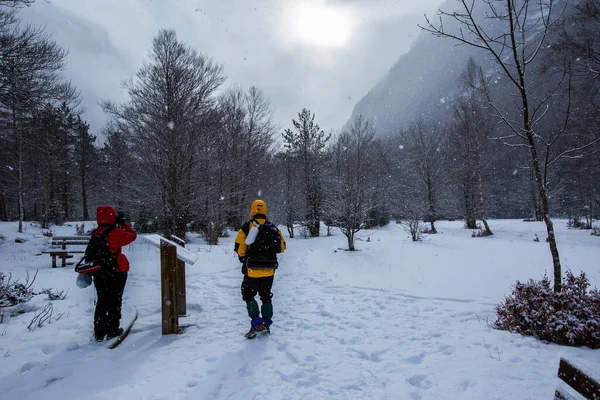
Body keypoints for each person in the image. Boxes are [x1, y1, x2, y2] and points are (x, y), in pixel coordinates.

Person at [234, 200, 286, 338]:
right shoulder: (273, 228)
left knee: (248, 295)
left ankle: (257, 323)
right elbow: (282, 248)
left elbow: (240, 250)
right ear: (265, 211)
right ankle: (266, 323)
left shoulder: (246, 228)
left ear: (252, 211)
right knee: (266, 296)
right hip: (269, 270)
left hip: (252, 270)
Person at [90, 205, 137, 341]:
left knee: (102, 300)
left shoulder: (95, 233)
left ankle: (99, 331)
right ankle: (112, 329)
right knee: (114, 300)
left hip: (99, 271)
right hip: (116, 271)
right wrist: (123, 223)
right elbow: (132, 236)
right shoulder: (116, 232)